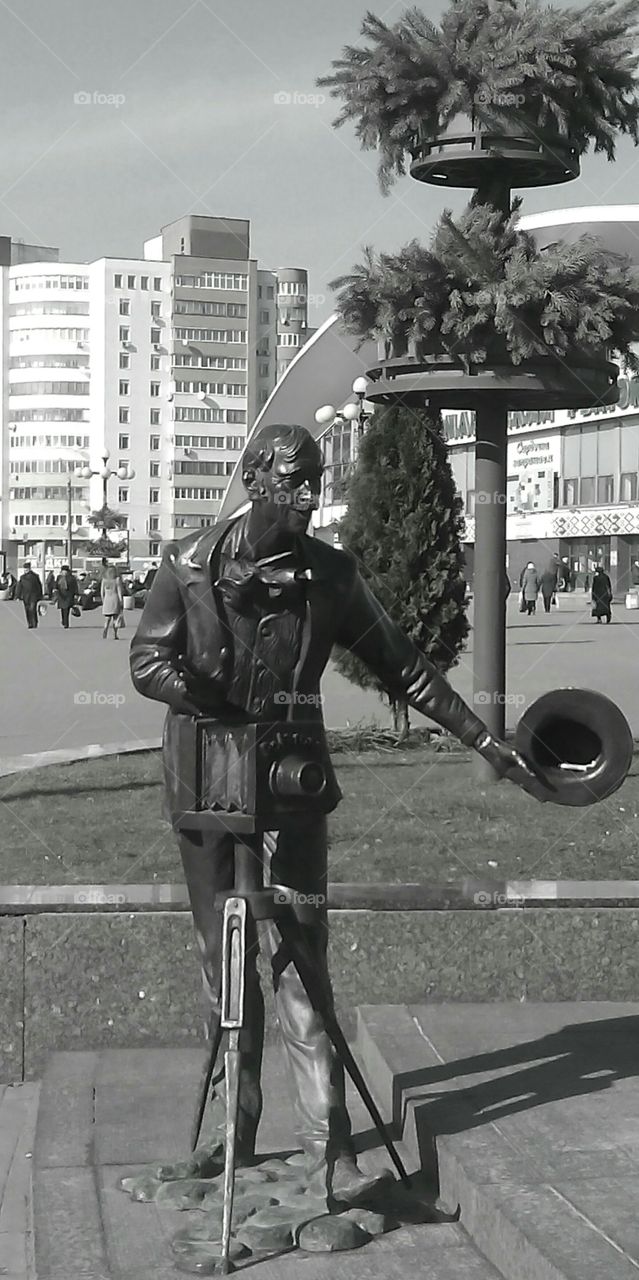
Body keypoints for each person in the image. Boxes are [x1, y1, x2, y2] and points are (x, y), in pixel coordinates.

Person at [130, 422, 543, 1202]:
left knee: (298, 958)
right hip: (204, 778)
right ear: (255, 480)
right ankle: (230, 1134)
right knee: (223, 962)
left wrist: (487, 742)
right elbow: (147, 659)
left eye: (315, 481)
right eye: (293, 481)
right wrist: (201, 693)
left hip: (290, 780)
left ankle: (328, 1152)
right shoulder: (187, 562)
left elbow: (406, 669)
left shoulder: (331, 576)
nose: (308, 496)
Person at [15, 563, 43, 629]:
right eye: (25, 569)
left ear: (29, 569)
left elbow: (39, 586)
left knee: (32, 609)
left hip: (33, 596)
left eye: (26, 569)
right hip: (26, 596)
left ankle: (34, 623)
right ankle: (30, 623)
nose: (25, 570)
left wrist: (40, 595)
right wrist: (17, 596)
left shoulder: (35, 576)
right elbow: (19, 587)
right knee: (28, 610)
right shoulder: (22, 577)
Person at [101, 564, 124, 639]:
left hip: (107, 599)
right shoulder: (117, 580)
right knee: (115, 618)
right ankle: (115, 634)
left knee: (107, 618)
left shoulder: (104, 580)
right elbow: (119, 592)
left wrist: (103, 600)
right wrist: (121, 602)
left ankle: (105, 628)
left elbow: (102, 592)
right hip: (115, 599)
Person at [54, 565, 79, 629]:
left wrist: (76, 594)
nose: (64, 572)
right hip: (61, 595)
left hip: (69, 595)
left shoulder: (72, 578)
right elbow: (56, 585)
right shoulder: (59, 577)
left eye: (65, 571)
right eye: (63, 571)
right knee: (63, 609)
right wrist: (55, 591)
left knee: (66, 609)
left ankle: (66, 623)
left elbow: (75, 586)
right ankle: (63, 620)